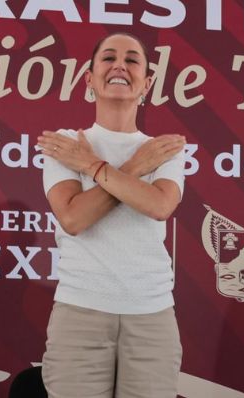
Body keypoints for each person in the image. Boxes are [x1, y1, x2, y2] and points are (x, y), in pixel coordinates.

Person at [37, 32, 186, 398]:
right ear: (89, 78)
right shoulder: (65, 144)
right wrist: (134, 169)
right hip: (80, 311)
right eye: (108, 58)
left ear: (146, 83)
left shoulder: (164, 150)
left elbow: (159, 206)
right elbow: (74, 219)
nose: (120, 65)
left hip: (152, 316)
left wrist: (90, 165)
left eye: (133, 60)